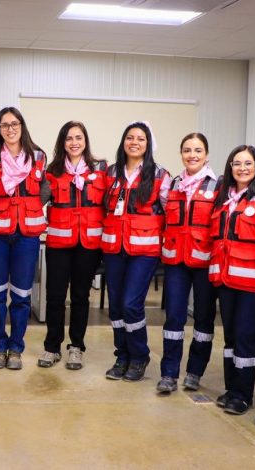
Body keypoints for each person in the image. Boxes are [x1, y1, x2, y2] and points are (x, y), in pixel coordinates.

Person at [0, 107, 47, 370]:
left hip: (26, 235)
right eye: (4, 125)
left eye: (14, 123)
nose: (10, 129)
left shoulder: (38, 156)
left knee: (21, 295)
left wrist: (30, 208)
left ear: (22, 125)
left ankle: (16, 348)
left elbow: (45, 188)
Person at [102, 121, 170, 382]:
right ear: (123, 142)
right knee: (117, 306)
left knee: (132, 304)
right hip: (113, 247)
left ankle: (139, 356)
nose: (134, 142)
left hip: (144, 250)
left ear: (148, 144)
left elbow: (169, 212)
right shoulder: (111, 173)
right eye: (129, 137)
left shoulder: (160, 175)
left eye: (140, 139)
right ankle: (122, 355)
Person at [38, 121, 106, 370]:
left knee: (80, 296)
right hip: (58, 243)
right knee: (55, 296)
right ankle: (51, 347)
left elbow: (114, 202)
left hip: (88, 244)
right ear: (62, 142)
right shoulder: (52, 171)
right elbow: (37, 202)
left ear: (85, 141)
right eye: (69, 138)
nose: (74, 142)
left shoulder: (101, 170)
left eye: (78, 137)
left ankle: (76, 347)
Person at [157, 133, 219, 393]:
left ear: (206, 154)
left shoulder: (219, 185)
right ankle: (169, 374)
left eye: (197, 150)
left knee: (204, 319)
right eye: (187, 150)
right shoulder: (172, 184)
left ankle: (194, 371)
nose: (192, 155)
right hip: (176, 261)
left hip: (205, 262)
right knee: (174, 317)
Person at [208, 145, 255, 415]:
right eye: (236, 163)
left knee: (245, 338)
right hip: (225, 279)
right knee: (230, 337)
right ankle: (232, 389)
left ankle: (244, 395)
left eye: (248, 163)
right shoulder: (224, 199)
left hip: (251, 284)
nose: (242, 168)